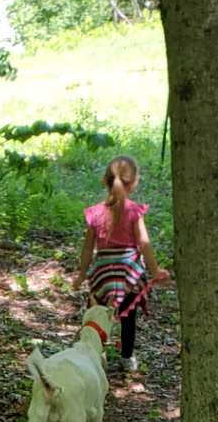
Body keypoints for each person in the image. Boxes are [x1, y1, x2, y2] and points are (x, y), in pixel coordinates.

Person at [70, 156, 170, 373]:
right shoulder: (134, 212)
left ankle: (94, 353)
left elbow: (88, 248)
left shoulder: (96, 213)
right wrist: (155, 270)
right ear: (133, 184)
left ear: (104, 180)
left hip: (103, 275)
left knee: (98, 314)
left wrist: (82, 274)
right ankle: (127, 357)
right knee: (127, 318)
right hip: (128, 275)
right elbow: (144, 243)